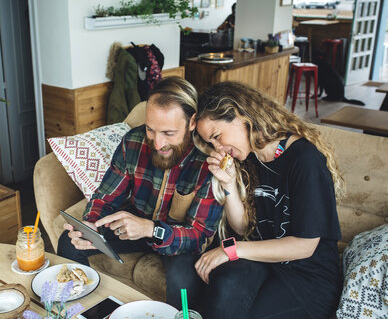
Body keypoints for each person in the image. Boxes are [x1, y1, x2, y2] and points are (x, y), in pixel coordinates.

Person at [57, 76, 223, 310]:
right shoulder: (133, 141)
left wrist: (150, 229)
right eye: (151, 130)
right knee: (69, 241)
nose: (157, 143)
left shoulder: (208, 160)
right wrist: (90, 224)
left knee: (182, 280)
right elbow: (105, 197)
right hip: (134, 226)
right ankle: (77, 312)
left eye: (168, 133)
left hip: (178, 239)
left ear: (192, 122)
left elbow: (199, 235)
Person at [192, 81, 343, 319]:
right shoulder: (250, 158)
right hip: (265, 263)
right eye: (212, 143)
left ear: (242, 115)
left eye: (217, 136)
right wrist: (229, 183)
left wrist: (231, 249)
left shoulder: (305, 160)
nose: (218, 147)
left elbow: (305, 246)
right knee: (219, 293)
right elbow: (244, 227)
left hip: (306, 278)